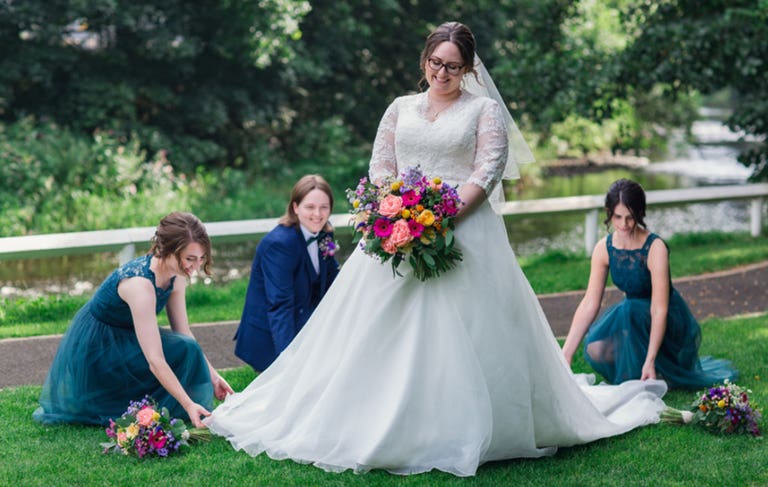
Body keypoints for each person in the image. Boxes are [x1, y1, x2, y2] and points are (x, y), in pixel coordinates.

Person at [205, 22, 667, 477]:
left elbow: (486, 173)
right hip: (393, 232)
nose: (441, 73)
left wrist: (437, 220)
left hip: (464, 234)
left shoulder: (483, 111)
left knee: (470, 330)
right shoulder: (399, 107)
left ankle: (468, 425)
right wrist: (394, 213)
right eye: (434, 63)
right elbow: (382, 164)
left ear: (467, 70)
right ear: (424, 60)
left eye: (452, 66)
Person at [33, 212, 233, 428]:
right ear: (167, 250)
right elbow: (155, 360)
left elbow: (184, 331)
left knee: (187, 347)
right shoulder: (140, 285)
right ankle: (177, 407)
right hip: (99, 349)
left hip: (127, 337)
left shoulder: (176, 277)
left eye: (201, 258)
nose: (195, 266)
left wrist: (213, 376)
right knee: (168, 356)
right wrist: (187, 403)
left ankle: (181, 408)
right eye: (189, 259)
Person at [562, 178, 738, 388]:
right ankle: (639, 366)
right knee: (596, 349)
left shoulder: (655, 247)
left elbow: (659, 309)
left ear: (640, 213)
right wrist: (566, 353)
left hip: (665, 318)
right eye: (617, 217)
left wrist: (650, 359)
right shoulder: (604, 248)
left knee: (630, 309)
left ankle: (653, 364)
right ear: (609, 213)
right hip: (631, 316)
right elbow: (590, 302)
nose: (624, 224)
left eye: (630, 217)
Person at [234, 174, 340, 372]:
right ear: (295, 207)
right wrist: (289, 362)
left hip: (306, 322)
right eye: (310, 207)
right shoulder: (279, 244)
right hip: (271, 336)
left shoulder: (325, 234)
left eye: (324, 207)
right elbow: (280, 305)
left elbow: (334, 282)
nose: (317, 214)